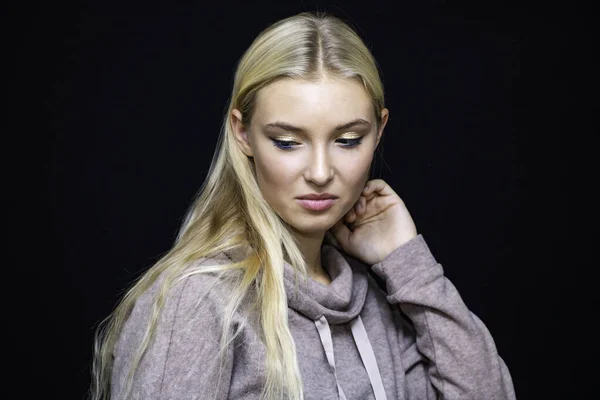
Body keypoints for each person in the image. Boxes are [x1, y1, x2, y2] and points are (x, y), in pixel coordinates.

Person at [90, 11, 516, 400]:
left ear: (379, 132)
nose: (319, 171)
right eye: (288, 142)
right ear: (243, 134)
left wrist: (408, 263)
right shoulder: (200, 300)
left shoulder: (379, 302)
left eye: (347, 140)